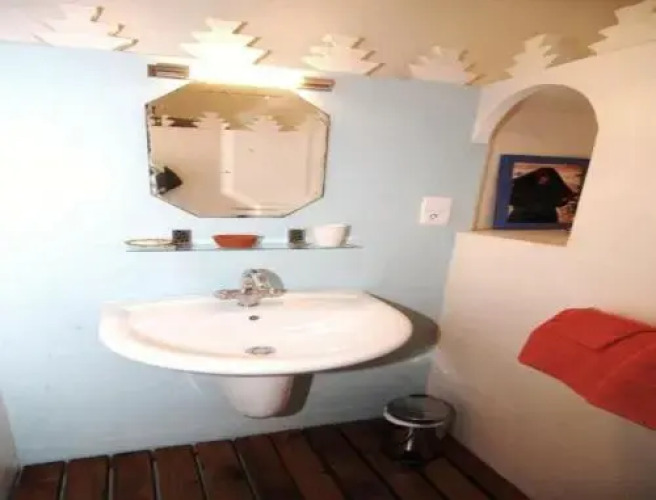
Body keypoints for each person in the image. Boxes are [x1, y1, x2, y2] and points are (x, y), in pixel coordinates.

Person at [508, 167, 573, 223]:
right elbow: (510, 199)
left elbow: (562, 198)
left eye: (546, 178)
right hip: (521, 218)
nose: (543, 180)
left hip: (546, 219)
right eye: (542, 177)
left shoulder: (554, 183)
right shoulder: (522, 184)